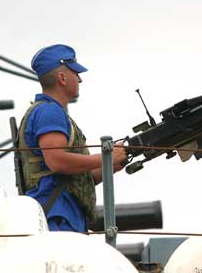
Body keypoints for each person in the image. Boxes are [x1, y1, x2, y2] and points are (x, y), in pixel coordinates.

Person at [18, 44, 127, 232]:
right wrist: (106, 157)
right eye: (76, 73)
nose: (80, 79)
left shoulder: (48, 111)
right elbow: (57, 161)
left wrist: (110, 166)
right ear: (62, 78)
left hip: (64, 214)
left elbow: (74, 177)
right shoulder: (49, 112)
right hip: (57, 216)